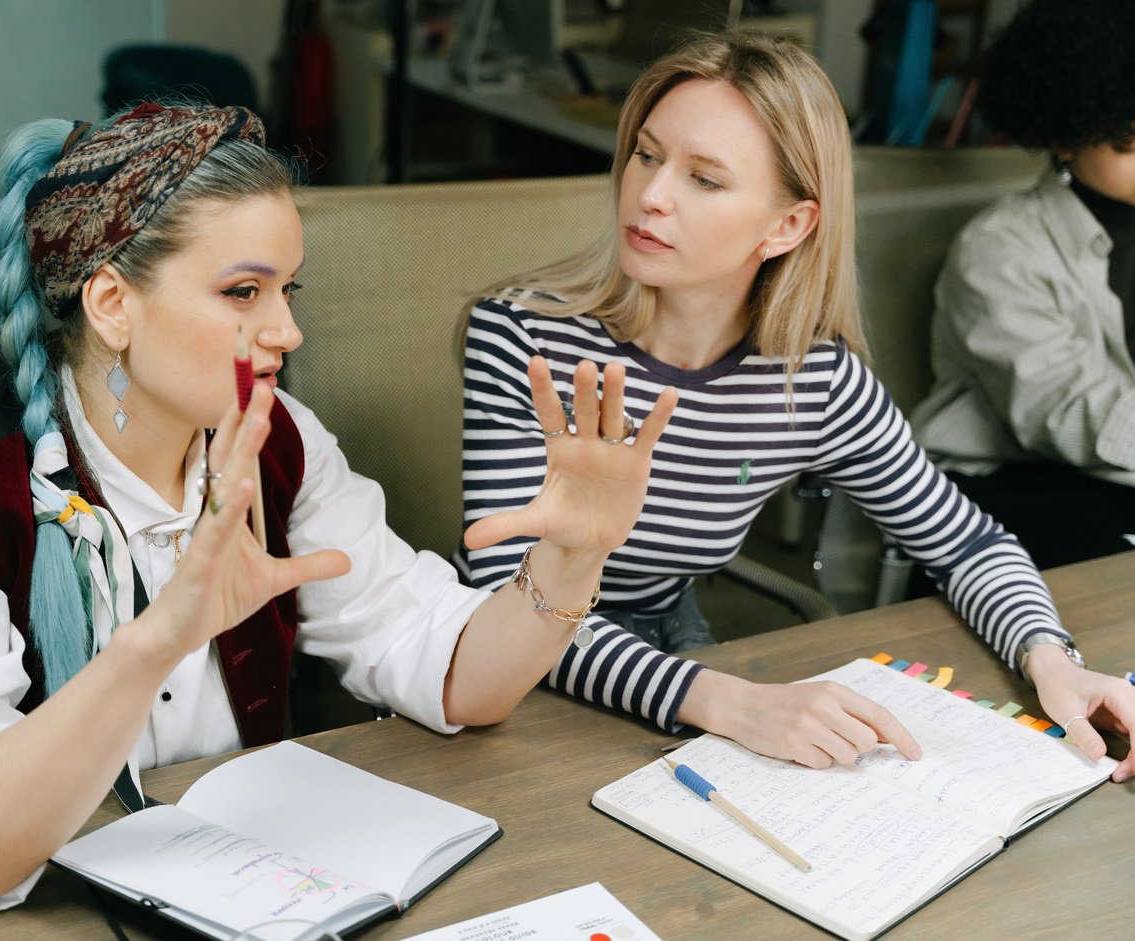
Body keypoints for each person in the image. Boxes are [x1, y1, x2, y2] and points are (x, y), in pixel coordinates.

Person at [0, 101, 677, 925]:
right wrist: (161, 636)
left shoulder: (279, 441)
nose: (288, 330)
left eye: (287, 289)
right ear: (111, 303)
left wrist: (572, 558)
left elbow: (457, 674)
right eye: (242, 292)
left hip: (207, 892)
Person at [460, 33, 1135, 785]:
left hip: (677, 654)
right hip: (506, 669)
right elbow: (504, 593)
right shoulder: (522, 335)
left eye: (705, 179)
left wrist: (1052, 659)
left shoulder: (813, 379)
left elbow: (966, 543)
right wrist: (730, 703)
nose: (650, 194)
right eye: (647, 156)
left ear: (787, 226)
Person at [910, 0, 1135, 570]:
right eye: (1129, 140)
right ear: (1066, 134)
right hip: (1011, 484)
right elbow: (1070, 414)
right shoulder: (999, 250)